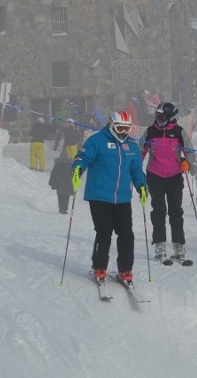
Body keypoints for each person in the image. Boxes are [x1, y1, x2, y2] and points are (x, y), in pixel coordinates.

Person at [71, 111, 148, 286]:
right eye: (120, 127)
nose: (123, 132)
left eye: (127, 128)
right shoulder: (97, 140)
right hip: (99, 195)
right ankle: (99, 267)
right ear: (112, 125)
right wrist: (77, 169)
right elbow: (82, 158)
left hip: (122, 197)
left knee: (126, 234)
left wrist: (142, 186)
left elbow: (136, 170)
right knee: (104, 232)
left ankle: (125, 270)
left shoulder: (132, 146)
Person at [141, 101, 194, 262]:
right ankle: (160, 244)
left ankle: (179, 244)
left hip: (174, 176)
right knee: (158, 210)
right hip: (155, 175)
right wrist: (136, 170)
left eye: (162, 116)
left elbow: (190, 151)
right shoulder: (150, 132)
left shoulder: (178, 132)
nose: (159, 119)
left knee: (175, 211)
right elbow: (139, 151)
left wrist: (187, 162)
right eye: (157, 115)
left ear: (170, 117)